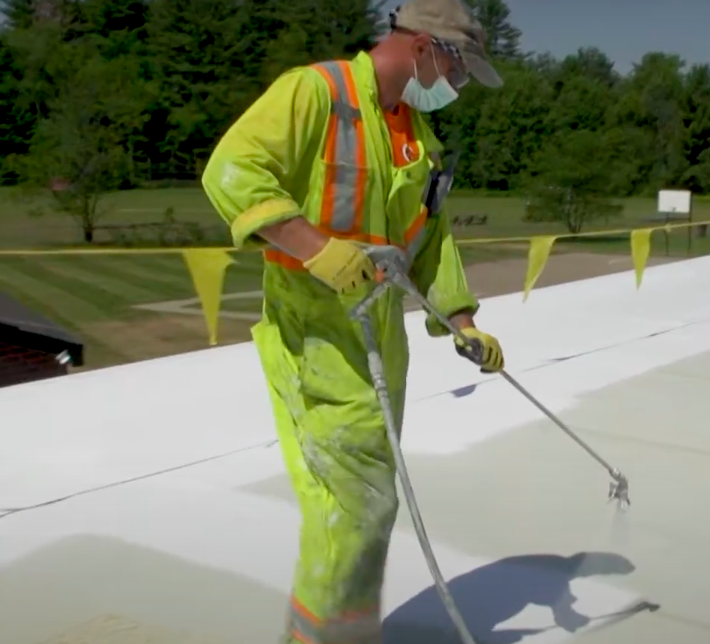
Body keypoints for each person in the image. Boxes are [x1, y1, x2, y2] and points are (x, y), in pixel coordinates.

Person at [201, 0, 505, 641]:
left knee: (356, 506)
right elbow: (230, 170)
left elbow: (432, 237)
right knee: (361, 507)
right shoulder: (317, 93)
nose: (458, 86)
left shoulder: (417, 137)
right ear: (425, 48)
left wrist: (462, 318)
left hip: (377, 346)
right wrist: (315, 247)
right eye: (459, 68)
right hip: (317, 341)